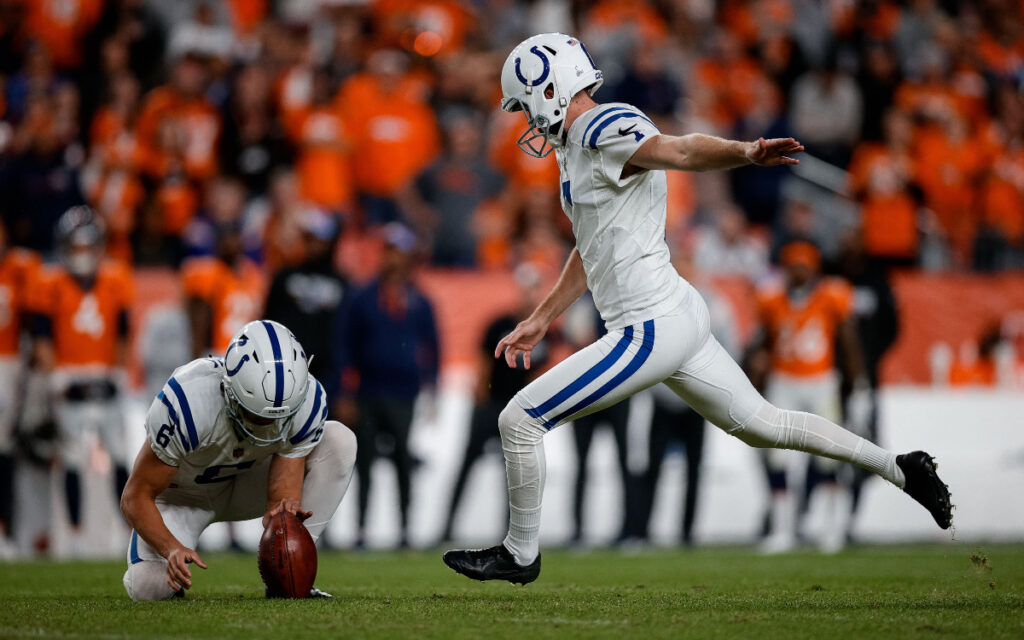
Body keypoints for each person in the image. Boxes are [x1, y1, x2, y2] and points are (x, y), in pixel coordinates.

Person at [443, 33, 952, 585]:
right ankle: (901, 469)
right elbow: (592, 246)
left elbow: (681, 150)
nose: (526, 120)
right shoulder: (578, 145)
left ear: (550, 88)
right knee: (765, 425)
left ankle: (520, 554)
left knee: (519, 419)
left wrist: (745, 152)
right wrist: (542, 317)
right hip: (671, 315)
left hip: (647, 327)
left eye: (525, 105)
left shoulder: (598, 125)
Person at [119, 319, 356, 601]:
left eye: (281, 416)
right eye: (256, 416)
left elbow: (279, 499)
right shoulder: (188, 401)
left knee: (340, 441)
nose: (269, 426)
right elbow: (134, 497)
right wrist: (171, 547)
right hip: (182, 498)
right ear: (230, 390)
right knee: (149, 588)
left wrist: (283, 522)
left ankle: (291, 577)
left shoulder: (307, 401)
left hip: (247, 484)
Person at [749, 241, 870, 553]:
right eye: (793, 266)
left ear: (814, 268)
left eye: (803, 266)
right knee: (777, 455)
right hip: (784, 381)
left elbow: (848, 342)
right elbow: (763, 342)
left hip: (821, 381)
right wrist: (757, 372)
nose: (798, 272)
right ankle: (782, 530)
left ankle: (831, 528)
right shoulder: (772, 299)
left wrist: (859, 386)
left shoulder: (831, 296)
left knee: (829, 455)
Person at [30, 207, 133, 553]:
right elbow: (42, 337)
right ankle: (75, 535)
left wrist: (118, 373)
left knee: (119, 456)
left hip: (105, 373)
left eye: (87, 246)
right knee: (72, 459)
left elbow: (123, 333)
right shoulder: (51, 282)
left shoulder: (116, 278)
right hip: (69, 374)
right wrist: (56, 377)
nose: (82, 253)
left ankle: (127, 532)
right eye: (76, 246)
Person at [335, 223, 439, 548]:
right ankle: (361, 529)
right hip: (369, 389)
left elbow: (434, 347)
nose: (393, 258)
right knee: (364, 461)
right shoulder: (362, 296)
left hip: (403, 392)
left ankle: (405, 528)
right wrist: (345, 391)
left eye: (398, 251)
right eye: (389, 251)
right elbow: (344, 346)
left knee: (403, 461)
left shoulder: (419, 300)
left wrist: (432, 388)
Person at [440, 264, 549, 543]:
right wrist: (481, 398)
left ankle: (509, 533)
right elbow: (484, 361)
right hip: (492, 403)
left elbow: (540, 374)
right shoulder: (500, 323)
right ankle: (447, 527)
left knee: (513, 473)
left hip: (518, 410)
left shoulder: (544, 332)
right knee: (468, 464)